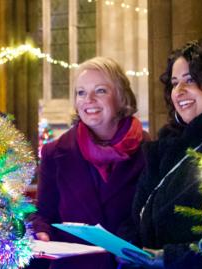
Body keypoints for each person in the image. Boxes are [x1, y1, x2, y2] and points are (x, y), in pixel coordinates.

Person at [122, 40, 202, 268]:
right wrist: (127, 246)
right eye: (174, 83)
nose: (179, 91)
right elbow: (138, 215)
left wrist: (170, 258)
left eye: (190, 80)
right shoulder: (165, 146)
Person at [30, 56, 149, 269]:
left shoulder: (149, 150)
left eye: (101, 91)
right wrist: (41, 231)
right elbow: (44, 213)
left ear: (121, 97)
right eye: (81, 92)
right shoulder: (55, 153)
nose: (89, 100)